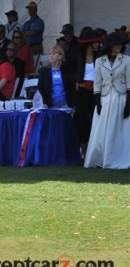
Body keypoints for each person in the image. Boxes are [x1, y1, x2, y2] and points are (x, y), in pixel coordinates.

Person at [84, 31, 130, 169]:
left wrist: (128, 103)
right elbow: (97, 83)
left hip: (121, 97)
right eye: (116, 45)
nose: (119, 47)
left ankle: (121, 157)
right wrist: (98, 101)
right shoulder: (100, 61)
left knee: (121, 128)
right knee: (102, 128)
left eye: (120, 45)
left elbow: (129, 82)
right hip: (105, 99)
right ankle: (100, 157)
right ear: (110, 46)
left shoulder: (127, 60)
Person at [71, 28, 104, 158]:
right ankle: (84, 150)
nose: (97, 44)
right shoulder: (77, 54)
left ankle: (95, 150)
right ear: (88, 43)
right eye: (94, 42)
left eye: (98, 42)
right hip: (82, 89)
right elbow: (67, 68)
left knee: (96, 118)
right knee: (82, 119)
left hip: (96, 90)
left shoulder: (100, 55)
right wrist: (75, 81)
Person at [36, 44, 75, 108]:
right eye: (50, 54)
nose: (51, 56)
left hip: (65, 105)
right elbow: (40, 88)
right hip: (50, 106)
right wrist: (44, 102)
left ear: (60, 56)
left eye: (54, 54)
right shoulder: (44, 71)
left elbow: (72, 88)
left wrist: (73, 104)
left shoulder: (66, 71)